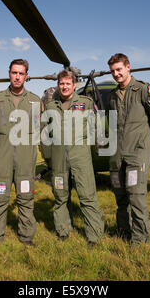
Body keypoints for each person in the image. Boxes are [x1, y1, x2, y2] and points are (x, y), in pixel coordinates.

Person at [107, 53, 150, 245]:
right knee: (120, 195)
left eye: (119, 69)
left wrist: (149, 141)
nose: (116, 74)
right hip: (117, 155)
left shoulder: (142, 89)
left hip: (135, 153)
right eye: (113, 71)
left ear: (128, 67)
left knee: (136, 195)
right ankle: (123, 231)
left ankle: (140, 238)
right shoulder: (114, 95)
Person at [44, 69, 104, 246]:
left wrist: (85, 147)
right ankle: (63, 230)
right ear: (58, 85)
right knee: (61, 196)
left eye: (67, 83)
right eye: (61, 84)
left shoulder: (85, 103)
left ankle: (94, 235)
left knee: (87, 196)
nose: (64, 87)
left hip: (80, 157)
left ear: (74, 85)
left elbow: (97, 129)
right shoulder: (50, 106)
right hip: (59, 159)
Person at [0, 59, 41, 247]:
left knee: (26, 198)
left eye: (21, 73)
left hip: (26, 158)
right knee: (0, 199)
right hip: (3, 157)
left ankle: (26, 237)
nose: (17, 77)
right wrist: (4, 144)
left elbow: (39, 128)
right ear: (9, 73)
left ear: (26, 76)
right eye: (14, 72)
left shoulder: (35, 100)